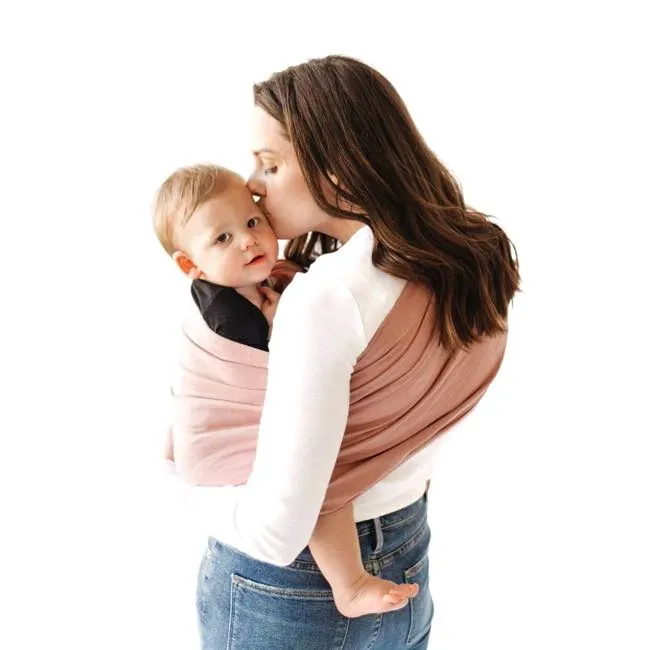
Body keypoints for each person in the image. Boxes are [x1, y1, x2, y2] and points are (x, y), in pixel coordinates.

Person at [164, 55, 520, 650]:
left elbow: (278, 532)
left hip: (293, 588)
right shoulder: (459, 259)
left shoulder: (326, 297)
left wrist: (185, 487)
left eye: (271, 164)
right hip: (406, 552)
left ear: (339, 167)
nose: (251, 182)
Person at [153, 163, 419, 617]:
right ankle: (348, 584)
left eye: (252, 222)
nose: (247, 240)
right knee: (319, 479)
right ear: (190, 265)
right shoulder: (227, 316)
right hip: (225, 442)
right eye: (223, 238)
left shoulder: (252, 279)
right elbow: (293, 381)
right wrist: (282, 328)